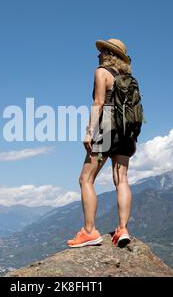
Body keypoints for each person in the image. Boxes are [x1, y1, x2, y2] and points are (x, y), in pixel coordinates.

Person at [67, 38, 137, 249]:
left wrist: (89, 132)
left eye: (102, 51)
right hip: (126, 133)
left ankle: (89, 232)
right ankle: (122, 229)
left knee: (85, 179)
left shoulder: (101, 72)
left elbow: (98, 103)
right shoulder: (128, 79)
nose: (98, 55)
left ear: (109, 54)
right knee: (121, 179)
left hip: (107, 129)